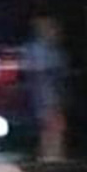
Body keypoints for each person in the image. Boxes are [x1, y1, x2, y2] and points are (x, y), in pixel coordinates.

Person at [22, 15, 68, 163]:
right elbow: (40, 73)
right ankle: (50, 155)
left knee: (53, 123)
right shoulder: (38, 50)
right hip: (45, 92)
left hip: (48, 91)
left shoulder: (51, 50)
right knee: (51, 123)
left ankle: (51, 154)